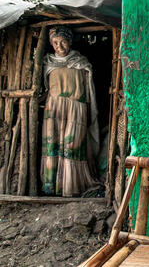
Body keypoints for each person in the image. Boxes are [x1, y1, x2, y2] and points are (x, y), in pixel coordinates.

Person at [41, 26, 100, 197]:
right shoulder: (47, 63)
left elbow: (89, 90)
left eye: (63, 42)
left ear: (70, 41)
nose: (59, 46)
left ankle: (70, 187)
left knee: (72, 145)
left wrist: (88, 109)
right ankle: (51, 186)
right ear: (51, 44)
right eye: (55, 43)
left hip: (76, 110)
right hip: (54, 111)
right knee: (53, 145)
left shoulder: (81, 63)